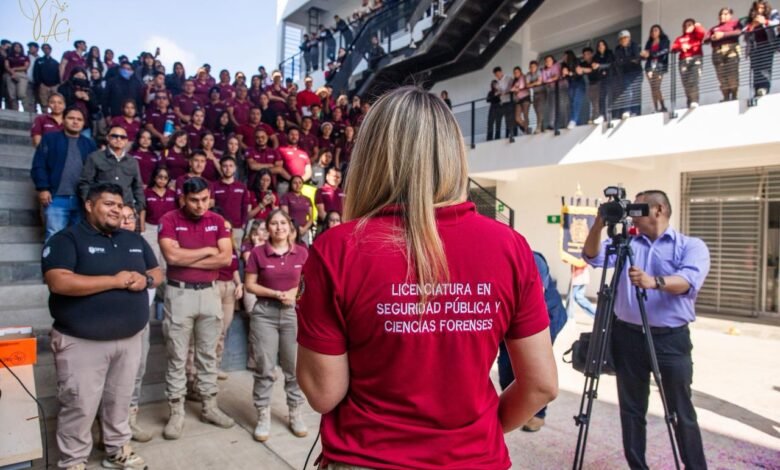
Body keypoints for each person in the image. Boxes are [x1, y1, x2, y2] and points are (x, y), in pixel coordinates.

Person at [296, 87, 557, 469]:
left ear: (371, 157)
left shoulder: (337, 249)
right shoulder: (511, 247)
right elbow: (542, 385)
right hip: (475, 461)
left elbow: (324, 393)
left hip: (366, 458)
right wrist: (480, 434)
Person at [583, 189, 710, 470]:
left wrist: (654, 282)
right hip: (628, 337)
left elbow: (688, 281)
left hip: (671, 340)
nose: (631, 215)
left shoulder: (691, 246)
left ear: (658, 210)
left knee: (681, 411)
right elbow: (592, 257)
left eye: (637, 209)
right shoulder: (626, 243)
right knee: (631, 411)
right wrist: (598, 224)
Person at [42, 182, 162, 470]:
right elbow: (59, 281)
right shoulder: (67, 239)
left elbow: (156, 272)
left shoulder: (133, 239)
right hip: (82, 341)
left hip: (129, 339)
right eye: (109, 204)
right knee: (80, 405)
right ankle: (73, 461)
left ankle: (117, 449)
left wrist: (145, 280)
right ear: (89, 205)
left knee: (120, 399)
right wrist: (114, 281)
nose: (116, 210)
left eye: (119, 205)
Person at [157, 177, 236, 439]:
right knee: (177, 356)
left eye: (204, 199)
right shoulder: (169, 219)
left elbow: (225, 259)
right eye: (194, 200)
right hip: (179, 293)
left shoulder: (217, 220)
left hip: (210, 293)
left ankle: (209, 406)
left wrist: (188, 257)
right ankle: (176, 411)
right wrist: (207, 250)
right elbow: (172, 257)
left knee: (208, 354)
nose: (200, 205)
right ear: (183, 198)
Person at [244, 209, 309, 442]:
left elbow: (308, 283)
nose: (279, 227)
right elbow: (250, 285)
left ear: (290, 226)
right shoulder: (258, 253)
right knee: (264, 368)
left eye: (283, 223)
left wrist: (293, 292)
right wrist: (275, 293)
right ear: (268, 227)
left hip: (292, 314)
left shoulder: (302, 253)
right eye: (274, 223)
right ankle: (263, 415)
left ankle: (295, 412)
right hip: (265, 314)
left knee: (294, 368)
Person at [497, 251, 567, 432]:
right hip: (509, 317)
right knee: (506, 365)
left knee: (535, 368)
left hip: (545, 316)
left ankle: (538, 414)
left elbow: (533, 301)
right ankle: (520, 408)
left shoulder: (531, 260)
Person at [119, 204, 156, 444]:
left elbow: (156, 275)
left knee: (138, 370)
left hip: (140, 317)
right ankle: (107, 423)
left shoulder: (142, 244)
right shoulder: (104, 245)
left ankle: (130, 419)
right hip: (111, 320)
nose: (126, 222)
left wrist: (146, 281)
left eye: (130, 217)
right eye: (121, 217)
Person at [31, 107, 97, 240]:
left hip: (81, 199)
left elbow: (95, 171)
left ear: (83, 123)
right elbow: (39, 165)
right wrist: (43, 188)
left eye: (79, 119)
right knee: (54, 236)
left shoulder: (89, 144)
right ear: (63, 120)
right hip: (56, 197)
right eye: (71, 118)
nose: (75, 122)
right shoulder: (50, 139)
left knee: (79, 238)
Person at [78, 125, 145, 214]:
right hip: (101, 210)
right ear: (108, 138)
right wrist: (91, 205)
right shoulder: (95, 157)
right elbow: (85, 183)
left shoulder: (132, 162)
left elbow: (138, 187)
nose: (119, 139)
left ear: (126, 141)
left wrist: (137, 208)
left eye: (122, 137)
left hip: (124, 210)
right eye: (115, 136)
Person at [140, 165, 175, 270]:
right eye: (160, 177)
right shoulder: (146, 192)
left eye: (165, 178)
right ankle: (154, 279)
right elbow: (142, 210)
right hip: (150, 227)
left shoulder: (172, 193)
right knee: (152, 257)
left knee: (165, 257)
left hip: (167, 229)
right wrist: (142, 228)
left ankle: (164, 279)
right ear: (155, 177)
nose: (162, 180)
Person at [743, 0, 780, 97]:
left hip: (767, 45)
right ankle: (757, 89)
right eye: (757, 8)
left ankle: (764, 88)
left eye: (762, 8)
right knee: (756, 69)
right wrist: (753, 25)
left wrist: (765, 21)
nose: (759, 10)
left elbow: (777, 22)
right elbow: (744, 31)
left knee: (765, 67)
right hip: (754, 47)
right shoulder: (750, 18)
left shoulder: (773, 13)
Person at [704, 8, 742, 102]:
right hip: (717, 52)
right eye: (721, 14)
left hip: (731, 50)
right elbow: (706, 40)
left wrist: (723, 35)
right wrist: (712, 37)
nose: (722, 16)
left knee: (732, 74)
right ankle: (726, 96)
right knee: (721, 76)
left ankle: (734, 95)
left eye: (725, 14)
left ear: (730, 15)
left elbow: (739, 32)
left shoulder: (735, 23)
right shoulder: (714, 28)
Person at [214, 156, 252, 247]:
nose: (228, 169)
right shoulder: (214, 186)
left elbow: (245, 207)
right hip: (219, 227)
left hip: (237, 227)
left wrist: (243, 224)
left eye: (231, 166)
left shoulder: (242, 186)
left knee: (237, 253)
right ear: (221, 167)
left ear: (235, 168)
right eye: (225, 166)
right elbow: (212, 207)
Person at [671, 19, 706, 108]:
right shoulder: (680, 38)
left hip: (695, 59)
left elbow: (702, 33)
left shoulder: (697, 35)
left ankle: (694, 100)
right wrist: (681, 46)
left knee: (693, 80)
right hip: (683, 61)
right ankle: (689, 101)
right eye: (685, 25)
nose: (687, 27)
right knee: (685, 82)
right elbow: (674, 47)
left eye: (689, 25)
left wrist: (697, 26)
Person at [641, 25, 671, 113]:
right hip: (649, 67)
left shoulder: (665, 41)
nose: (653, 32)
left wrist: (651, 54)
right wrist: (643, 55)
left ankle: (663, 106)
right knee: (653, 88)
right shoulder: (649, 43)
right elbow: (646, 55)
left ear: (660, 31)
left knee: (656, 87)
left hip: (659, 66)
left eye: (656, 30)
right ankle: (656, 108)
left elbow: (664, 51)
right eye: (652, 31)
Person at [614, 30, 643, 119]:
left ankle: (635, 112)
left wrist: (625, 60)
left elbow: (637, 58)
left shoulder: (634, 45)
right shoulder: (618, 49)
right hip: (625, 73)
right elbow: (618, 62)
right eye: (621, 39)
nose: (623, 40)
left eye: (625, 38)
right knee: (628, 91)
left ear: (629, 38)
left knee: (636, 91)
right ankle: (627, 110)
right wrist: (629, 60)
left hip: (636, 72)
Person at [275, 128, 313, 195]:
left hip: (302, 184)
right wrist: (293, 180)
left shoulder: (304, 153)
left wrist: (299, 181)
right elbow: (278, 168)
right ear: (287, 135)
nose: (294, 136)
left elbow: (309, 171)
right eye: (292, 134)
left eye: (296, 135)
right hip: (285, 183)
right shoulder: (280, 150)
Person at [280, 175, 314, 245]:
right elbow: (285, 215)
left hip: (304, 231)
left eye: (300, 182)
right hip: (290, 229)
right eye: (295, 183)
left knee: (304, 249)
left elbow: (311, 218)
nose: (298, 185)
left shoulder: (307, 199)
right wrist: (296, 228)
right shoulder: (286, 197)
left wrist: (304, 229)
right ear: (291, 184)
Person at [3, 42, 30, 111]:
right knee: (12, 95)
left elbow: (26, 67)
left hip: (21, 74)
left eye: (19, 47)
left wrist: (15, 69)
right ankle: (15, 111)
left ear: (21, 48)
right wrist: (12, 72)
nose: (17, 48)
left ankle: (27, 111)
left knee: (21, 94)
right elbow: (6, 66)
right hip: (10, 74)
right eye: (15, 46)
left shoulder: (25, 57)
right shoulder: (9, 57)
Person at [33, 43, 61, 110]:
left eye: (47, 48)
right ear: (42, 50)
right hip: (43, 85)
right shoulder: (39, 60)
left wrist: (57, 84)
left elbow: (58, 73)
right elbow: (36, 72)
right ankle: (44, 115)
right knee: (44, 103)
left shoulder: (55, 62)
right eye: (44, 48)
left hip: (54, 86)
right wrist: (39, 83)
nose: (46, 50)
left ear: (50, 50)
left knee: (54, 102)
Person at [493, 66, 515, 139]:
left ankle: (513, 133)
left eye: (498, 74)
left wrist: (504, 92)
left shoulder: (508, 78)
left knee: (511, 117)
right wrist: (498, 93)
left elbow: (511, 88)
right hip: (503, 101)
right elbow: (498, 92)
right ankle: (509, 134)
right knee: (507, 118)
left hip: (510, 100)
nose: (498, 76)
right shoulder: (497, 83)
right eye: (496, 75)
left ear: (501, 72)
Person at [526, 60, 545, 133]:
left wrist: (532, 84)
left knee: (540, 109)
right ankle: (542, 127)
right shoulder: (528, 74)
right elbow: (527, 85)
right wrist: (535, 83)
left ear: (537, 67)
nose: (532, 68)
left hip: (542, 92)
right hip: (534, 93)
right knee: (536, 109)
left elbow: (539, 82)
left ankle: (538, 127)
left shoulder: (539, 72)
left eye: (534, 66)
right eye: (531, 67)